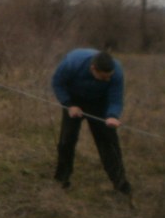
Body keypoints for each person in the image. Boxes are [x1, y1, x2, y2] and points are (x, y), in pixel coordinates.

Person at [50, 49, 132, 198]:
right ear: (93, 69)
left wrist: (113, 115)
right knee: (67, 140)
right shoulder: (73, 63)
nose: (107, 80)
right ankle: (62, 179)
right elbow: (57, 83)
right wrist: (69, 104)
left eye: (109, 77)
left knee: (109, 143)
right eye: (103, 77)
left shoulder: (116, 72)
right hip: (74, 101)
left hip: (100, 104)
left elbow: (115, 99)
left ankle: (121, 185)